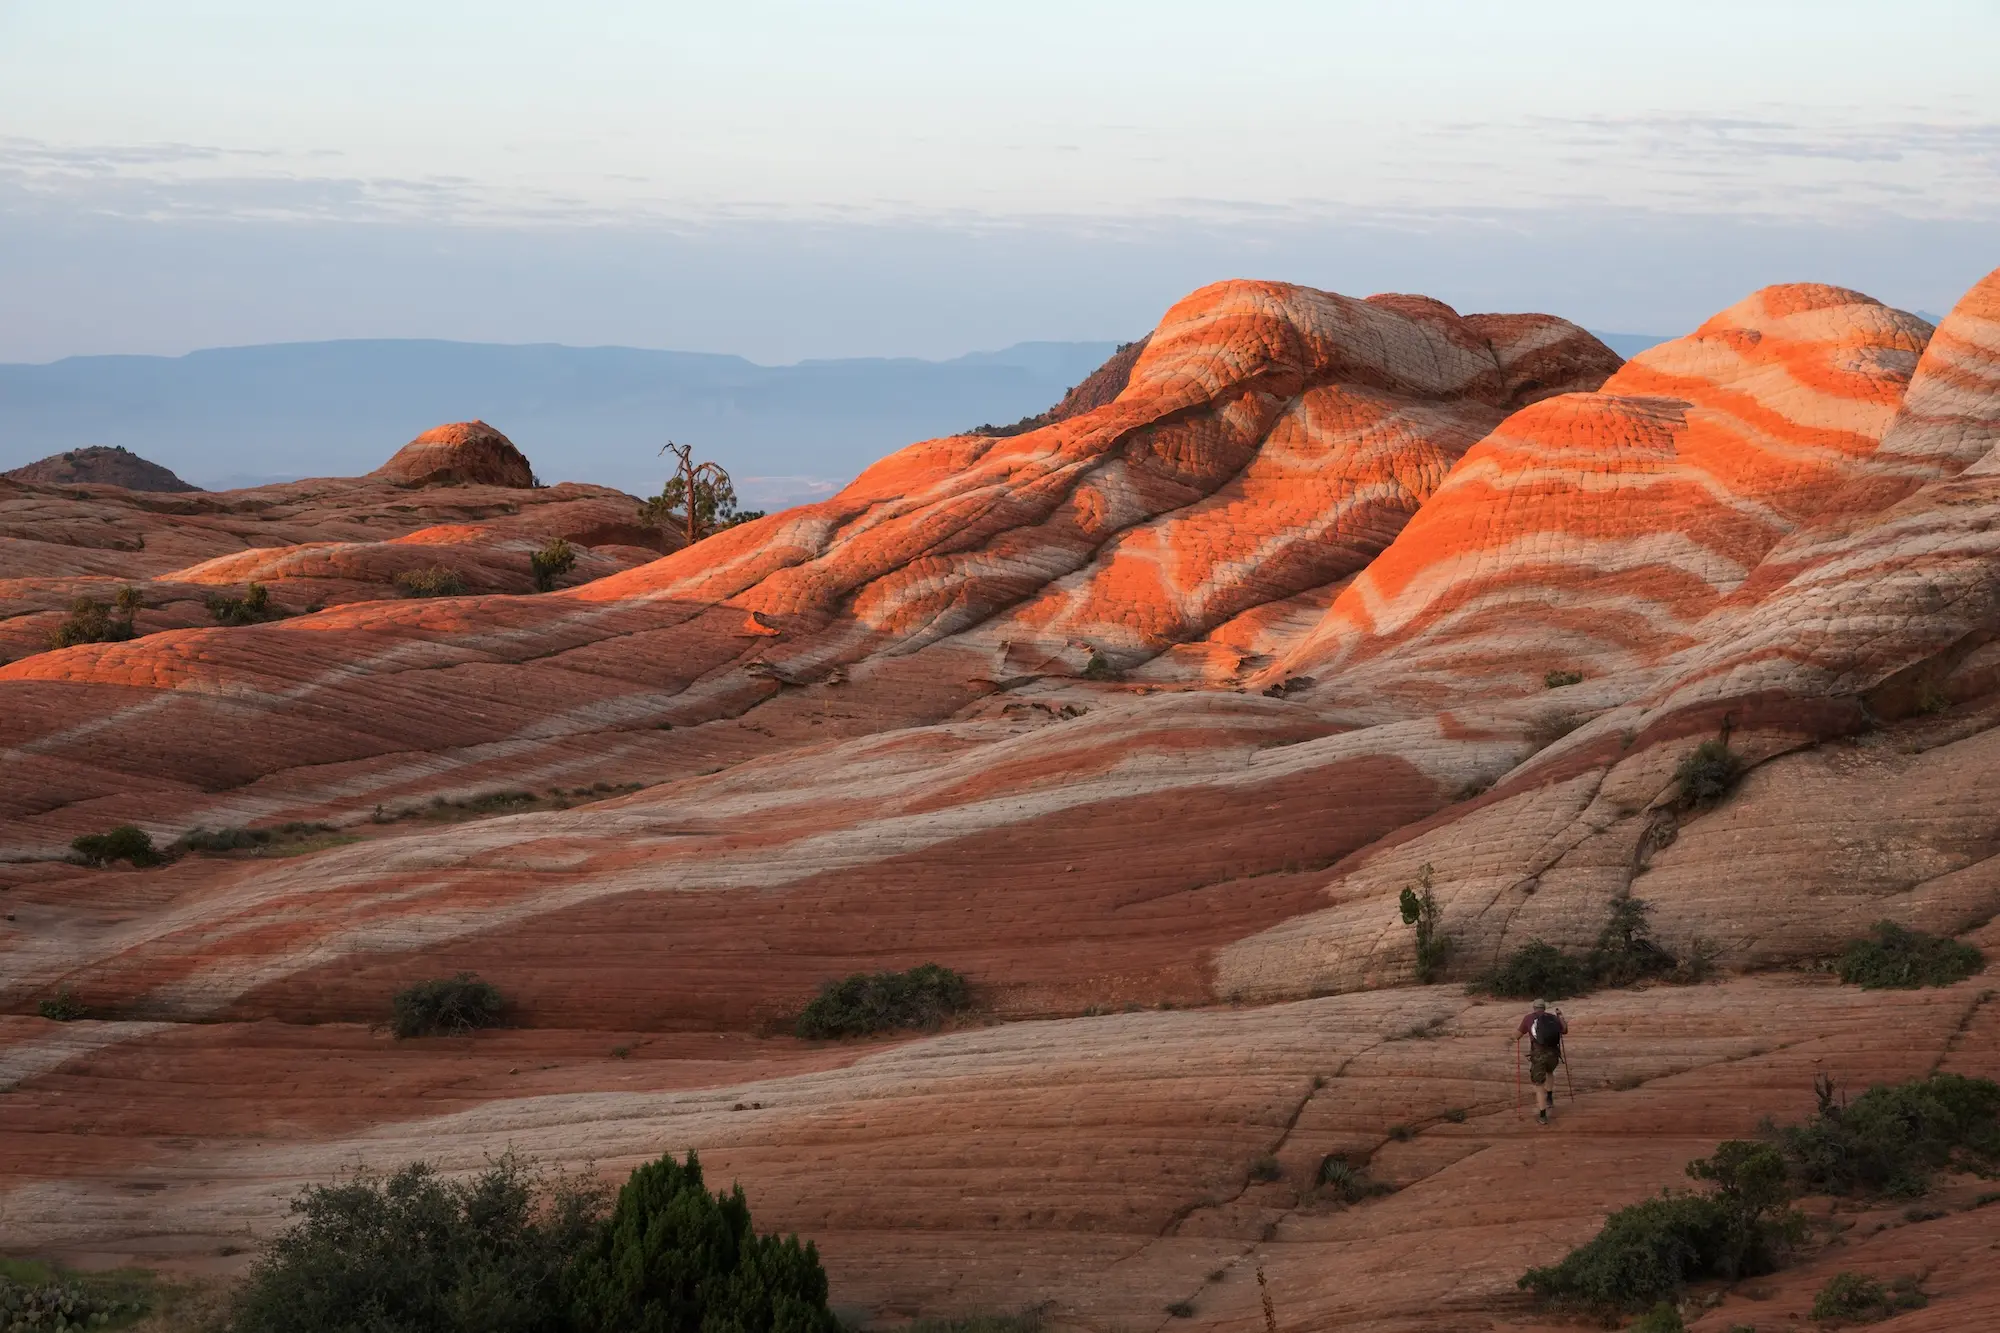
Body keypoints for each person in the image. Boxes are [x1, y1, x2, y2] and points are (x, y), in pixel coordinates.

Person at [1515, 999, 1567, 1124]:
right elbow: (1564, 1030)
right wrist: (1560, 1016)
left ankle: (1543, 1116)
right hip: (1553, 1054)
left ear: (1534, 1007)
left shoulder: (1528, 1018)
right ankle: (1549, 1097)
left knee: (1538, 1085)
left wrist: (1512, 1037)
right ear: (1544, 1008)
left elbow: (1517, 1035)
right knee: (1550, 1072)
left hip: (1538, 1055)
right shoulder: (1553, 1018)